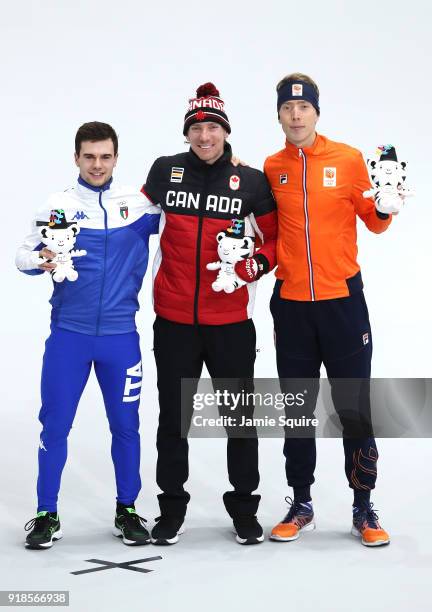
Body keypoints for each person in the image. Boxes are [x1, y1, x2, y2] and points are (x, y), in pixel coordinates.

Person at [264, 73, 402, 547]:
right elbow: (261, 225)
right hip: (292, 305)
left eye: (304, 108)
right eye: (288, 109)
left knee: (353, 407)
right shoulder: (271, 166)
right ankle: (301, 503)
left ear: (317, 112)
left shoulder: (347, 160)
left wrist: (386, 206)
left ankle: (363, 507)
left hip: (343, 303)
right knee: (298, 409)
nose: (296, 115)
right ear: (279, 114)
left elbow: (375, 223)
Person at [142, 82, 278, 545]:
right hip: (174, 319)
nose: (205, 136)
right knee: (172, 419)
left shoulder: (252, 180)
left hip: (231, 324)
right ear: (187, 132)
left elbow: (275, 240)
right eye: (197, 128)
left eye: (213, 128)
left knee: (239, 420)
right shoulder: (165, 171)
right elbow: (132, 216)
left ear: (226, 131)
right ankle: (171, 508)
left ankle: (244, 509)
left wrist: (254, 265)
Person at [16, 121, 160, 549]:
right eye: (89, 156)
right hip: (69, 337)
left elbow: (193, 217)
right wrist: (40, 258)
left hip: (120, 337)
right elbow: (23, 255)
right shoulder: (57, 204)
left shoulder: (139, 205)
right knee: (54, 425)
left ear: (117, 158)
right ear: (76, 157)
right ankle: (46, 513)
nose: (98, 165)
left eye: (105, 156)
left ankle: (127, 509)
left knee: (126, 426)